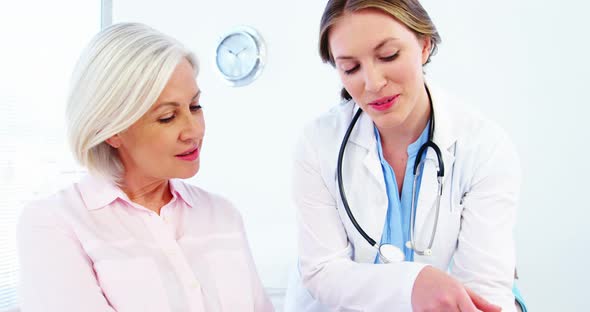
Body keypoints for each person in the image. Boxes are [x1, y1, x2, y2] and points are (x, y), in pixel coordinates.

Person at [284, 0, 526, 311]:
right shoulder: (318, 143)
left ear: (424, 45)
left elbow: (483, 290)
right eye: (351, 68)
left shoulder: (484, 147)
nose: (373, 83)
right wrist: (413, 282)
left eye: (388, 56)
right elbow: (322, 271)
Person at [17, 23, 274, 312]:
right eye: (167, 117)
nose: (193, 131)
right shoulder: (55, 224)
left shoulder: (223, 216)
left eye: (195, 106)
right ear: (112, 130)